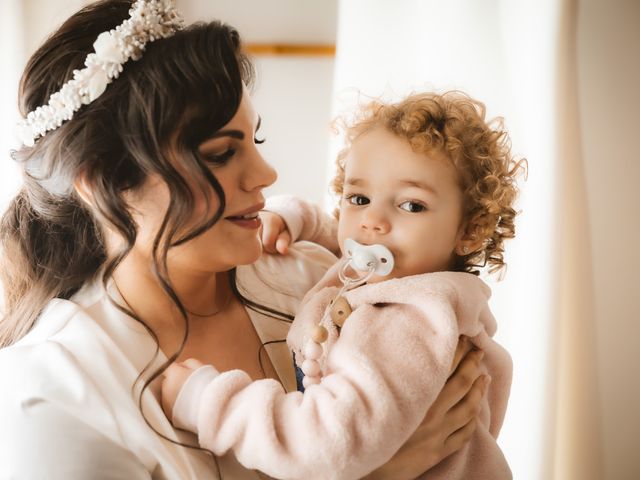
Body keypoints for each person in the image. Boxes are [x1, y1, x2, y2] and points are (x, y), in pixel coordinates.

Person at [0, 1, 487, 479]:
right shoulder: (55, 393)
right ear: (101, 180)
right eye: (219, 153)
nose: (265, 174)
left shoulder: (319, 283)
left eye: (255, 141)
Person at [160, 91, 525, 479]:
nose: (372, 222)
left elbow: (324, 446)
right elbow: (340, 233)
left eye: (411, 205)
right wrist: (293, 217)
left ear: (470, 230)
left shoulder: (407, 322)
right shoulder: (401, 273)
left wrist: (208, 402)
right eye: (359, 197)